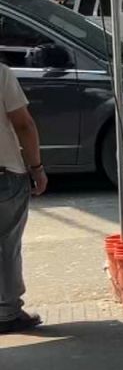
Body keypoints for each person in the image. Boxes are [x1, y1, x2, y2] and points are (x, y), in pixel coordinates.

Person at [1, 62, 47, 334]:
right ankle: (6, 313)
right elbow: (24, 124)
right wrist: (37, 168)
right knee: (6, 246)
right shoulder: (1, 74)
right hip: (4, 174)